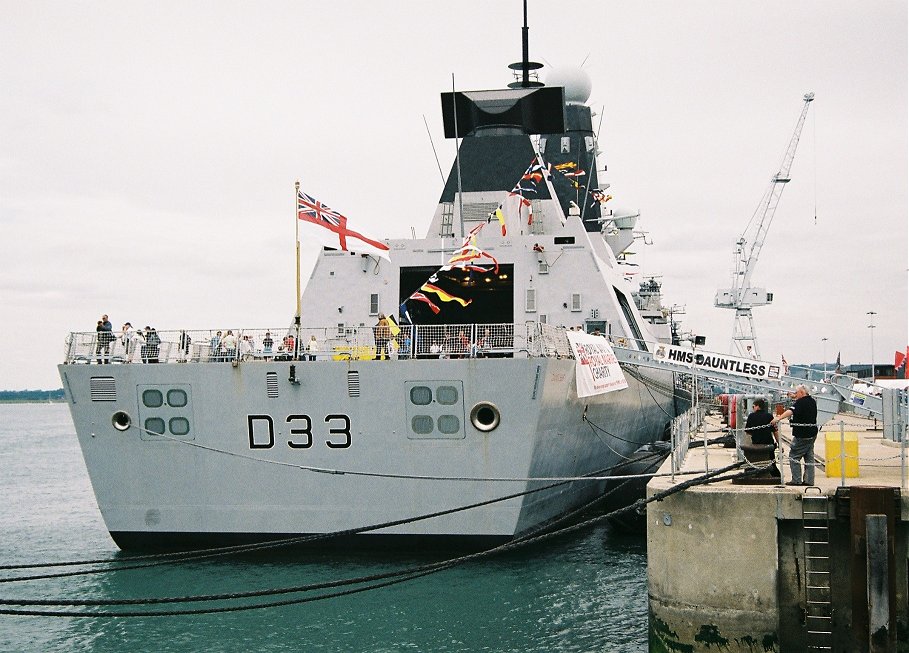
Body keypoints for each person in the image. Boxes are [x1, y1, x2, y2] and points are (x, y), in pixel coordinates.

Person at [771, 384, 819, 486]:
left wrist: (778, 418)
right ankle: (809, 481)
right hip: (812, 433)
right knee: (809, 457)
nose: (796, 395)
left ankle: (796, 480)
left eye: (797, 393)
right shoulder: (812, 401)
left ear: (801, 393)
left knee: (794, 455)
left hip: (802, 434)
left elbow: (791, 411)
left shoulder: (800, 402)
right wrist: (793, 396)